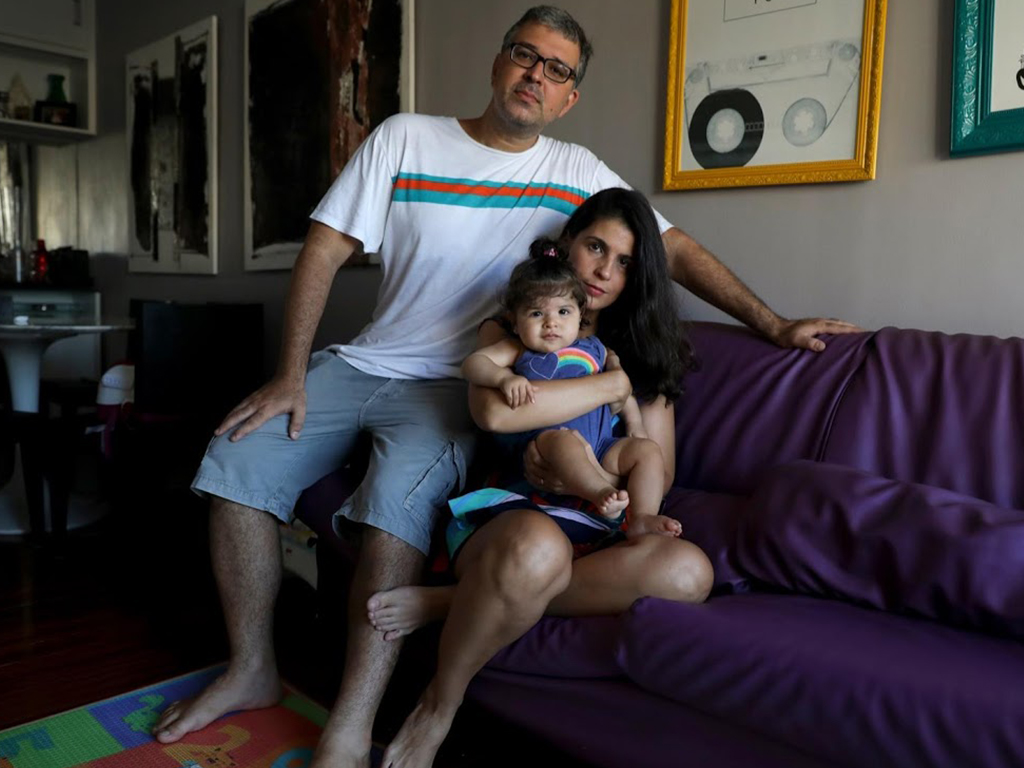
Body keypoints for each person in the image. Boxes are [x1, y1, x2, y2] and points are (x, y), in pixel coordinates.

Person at [152, 6, 860, 768]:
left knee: (397, 514)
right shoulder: (407, 140)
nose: (537, 76)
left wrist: (774, 323)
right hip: (367, 363)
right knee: (234, 463)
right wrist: (290, 374)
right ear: (499, 62)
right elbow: (325, 251)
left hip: (456, 405)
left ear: (568, 97)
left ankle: (349, 729)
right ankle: (252, 667)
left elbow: (670, 248)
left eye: (558, 69)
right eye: (527, 56)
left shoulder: (579, 177)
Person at [371, 187, 711, 768]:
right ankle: (438, 706)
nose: (605, 270)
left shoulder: (637, 353)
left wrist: (598, 471)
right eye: (595, 247)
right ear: (566, 247)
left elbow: (657, 462)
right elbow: (497, 413)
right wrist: (607, 394)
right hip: (516, 519)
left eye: (624, 261)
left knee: (689, 572)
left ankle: (453, 602)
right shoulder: (516, 326)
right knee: (536, 550)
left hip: (599, 520)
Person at [462, 239, 678, 533]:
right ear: (514, 321)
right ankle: (599, 493)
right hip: (549, 445)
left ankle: (640, 519)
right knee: (563, 441)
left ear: (580, 315)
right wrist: (503, 378)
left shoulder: (596, 349)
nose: (551, 323)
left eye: (563, 312)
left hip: (603, 447)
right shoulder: (517, 349)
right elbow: (473, 364)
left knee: (648, 451)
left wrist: (635, 423)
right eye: (537, 314)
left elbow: (621, 389)